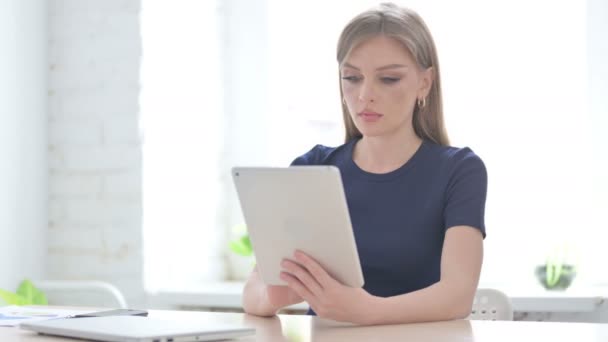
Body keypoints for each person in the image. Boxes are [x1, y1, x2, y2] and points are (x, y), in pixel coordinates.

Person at [242, 2, 486, 325]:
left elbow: (457, 296)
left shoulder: (459, 171)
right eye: (352, 77)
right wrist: (272, 296)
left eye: (388, 79)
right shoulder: (312, 167)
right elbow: (255, 288)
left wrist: (364, 310)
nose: (364, 95)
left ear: (424, 83)